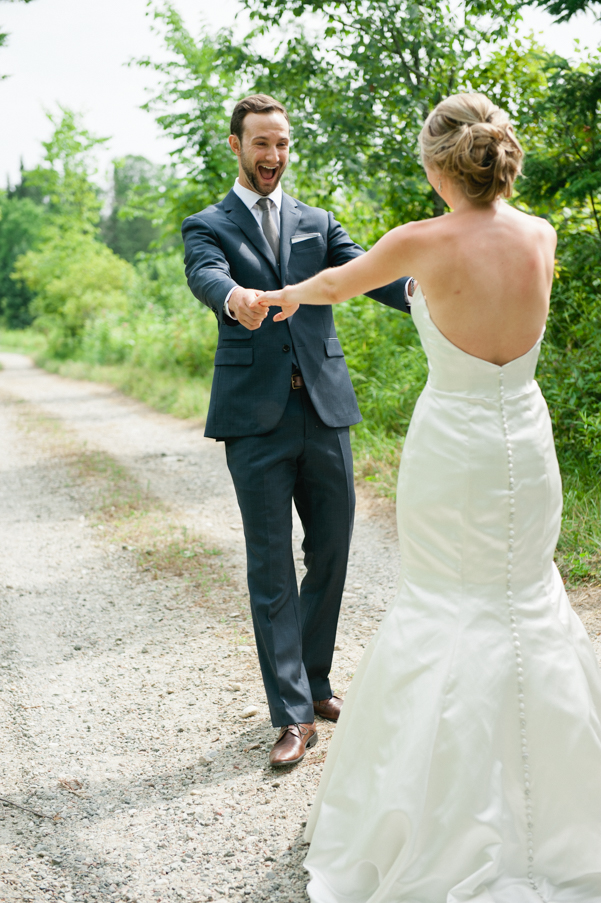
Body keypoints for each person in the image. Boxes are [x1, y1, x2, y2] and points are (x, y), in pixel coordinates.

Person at [255, 93, 601, 900]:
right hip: (526, 437)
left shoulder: (420, 241)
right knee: (525, 599)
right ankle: (559, 807)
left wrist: (278, 296)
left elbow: (337, 282)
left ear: (438, 164)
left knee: (447, 601)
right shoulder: (541, 234)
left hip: (452, 447)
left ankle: (437, 812)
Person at [181, 94, 411, 768]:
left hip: (325, 410)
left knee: (334, 550)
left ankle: (313, 683)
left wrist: (434, 289)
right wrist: (234, 298)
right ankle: (288, 714)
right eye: (260, 144)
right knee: (270, 565)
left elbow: (372, 276)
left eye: (281, 143)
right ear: (234, 145)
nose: (272, 156)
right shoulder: (208, 223)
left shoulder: (318, 221)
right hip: (253, 421)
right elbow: (207, 275)